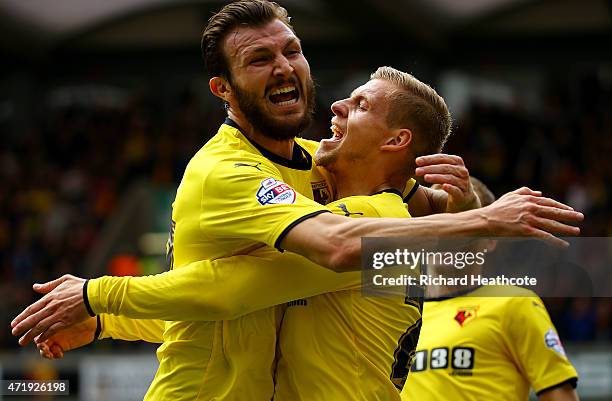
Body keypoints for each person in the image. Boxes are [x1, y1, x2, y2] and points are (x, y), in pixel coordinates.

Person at [11, 1, 582, 400]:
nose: (287, 68)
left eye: (293, 50)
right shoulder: (231, 170)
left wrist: (101, 301)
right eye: (260, 59)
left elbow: (241, 291)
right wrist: (108, 316)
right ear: (223, 89)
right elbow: (239, 304)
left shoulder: (368, 215)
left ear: (393, 141)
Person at [401, 178, 580, 401]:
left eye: (466, 224)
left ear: (490, 241)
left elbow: (561, 396)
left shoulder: (514, 303)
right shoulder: (400, 314)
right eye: (442, 223)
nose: (450, 237)